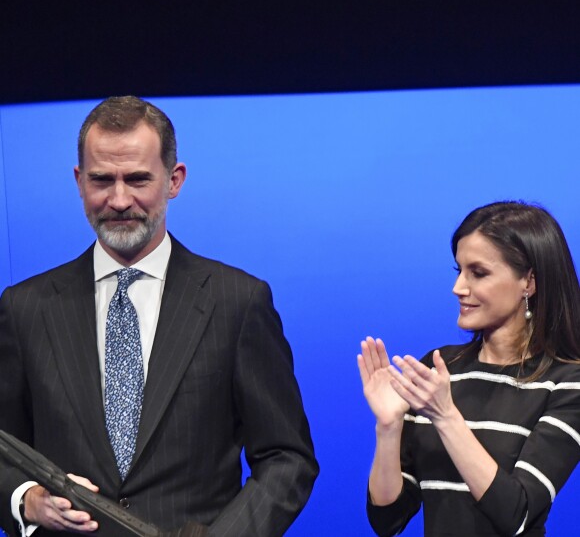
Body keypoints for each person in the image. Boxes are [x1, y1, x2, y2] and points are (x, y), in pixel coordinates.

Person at [0, 96, 318, 536]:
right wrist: (28, 499)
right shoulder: (24, 308)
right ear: (78, 181)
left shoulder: (238, 302)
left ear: (174, 179)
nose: (118, 199)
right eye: (101, 180)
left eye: (137, 179)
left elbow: (287, 457)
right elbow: (4, 449)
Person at [358, 201, 580, 536]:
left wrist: (447, 418)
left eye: (478, 273)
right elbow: (387, 519)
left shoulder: (567, 384)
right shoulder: (440, 369)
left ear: (528, 282)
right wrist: (388, 428)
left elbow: (516, 515)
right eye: (458, 271)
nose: (459, 288)